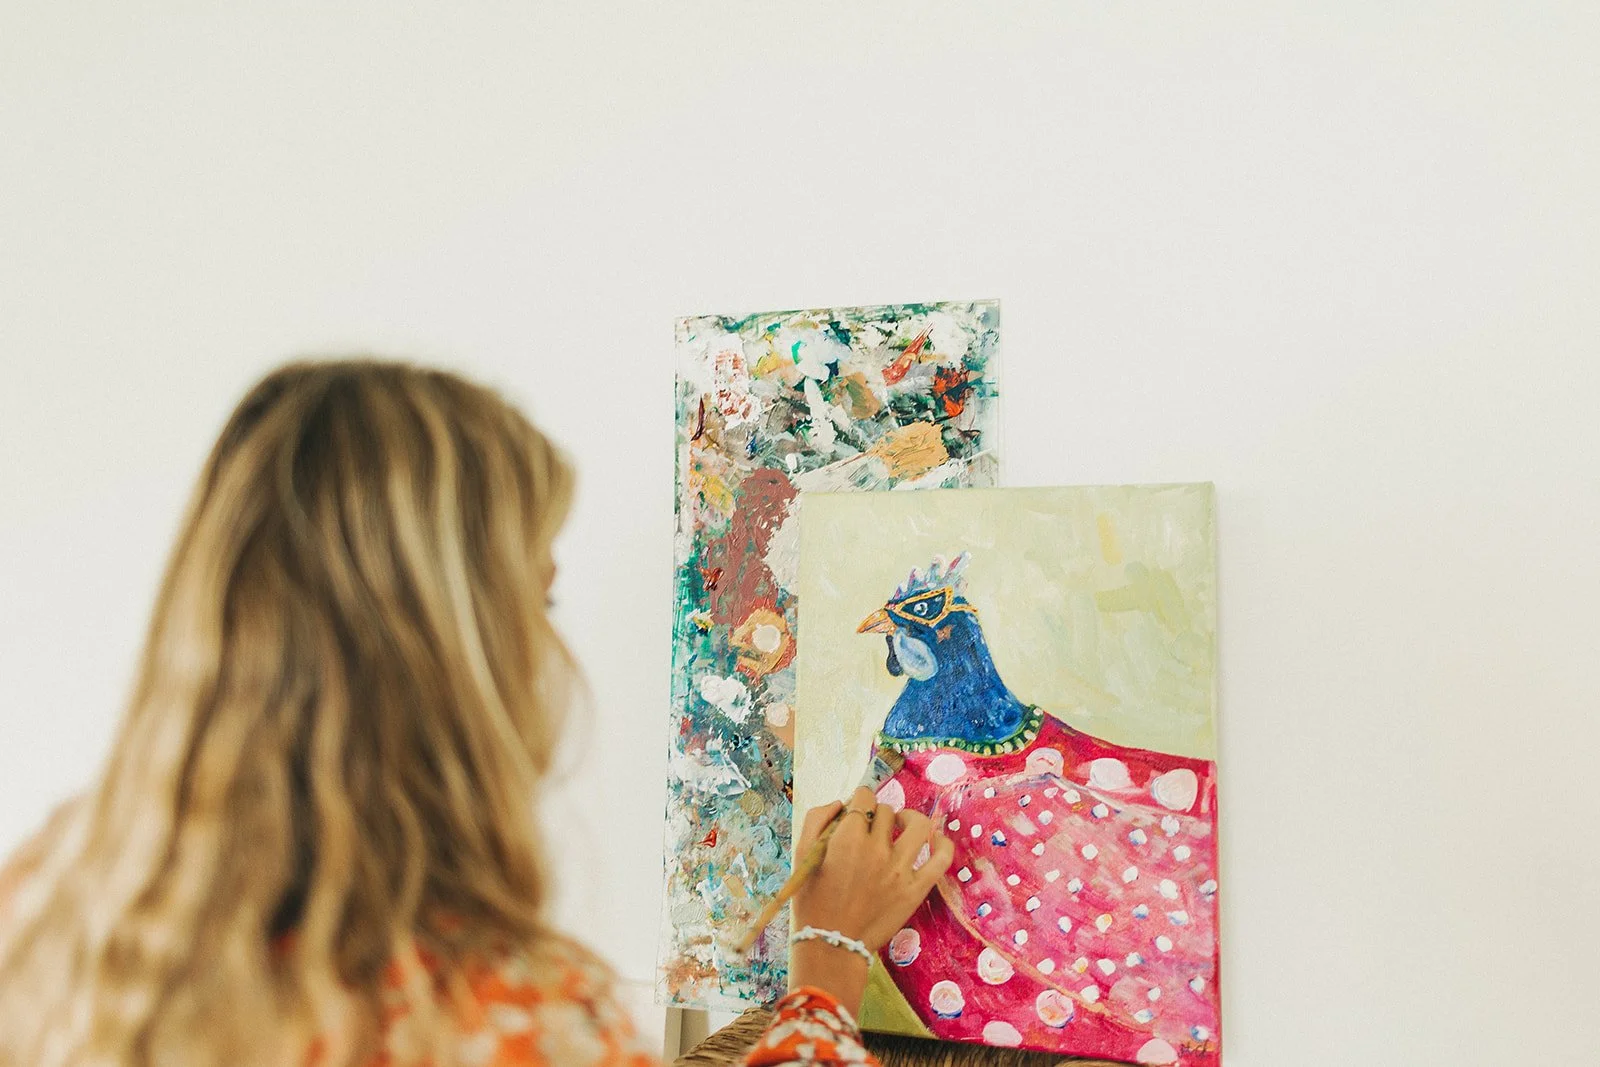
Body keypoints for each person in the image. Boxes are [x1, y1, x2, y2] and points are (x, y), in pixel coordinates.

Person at [0, 361, 954, 1067]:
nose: (555, 649)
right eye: (540, 598)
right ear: (451, 649)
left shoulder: (53, 898)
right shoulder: (506, 1015)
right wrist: (828, 960)